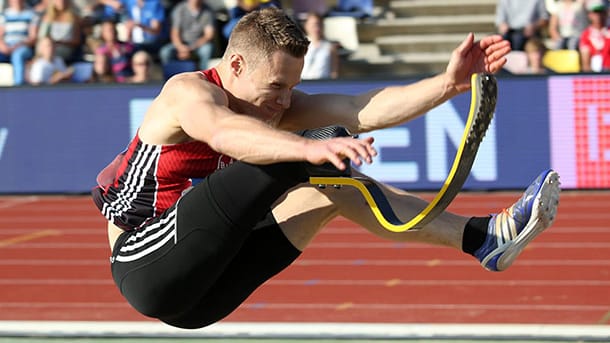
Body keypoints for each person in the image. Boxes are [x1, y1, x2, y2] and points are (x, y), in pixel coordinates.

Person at [92, 7, 560, 329]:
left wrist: (447, 84)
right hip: (145, 265)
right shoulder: (188, 92)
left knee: (328, 182)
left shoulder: (275, 108)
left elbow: (359, 107)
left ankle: (484, 238)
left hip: (206, 295)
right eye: (276, 85)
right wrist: (305, 149)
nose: (284, 99)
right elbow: (221, 134)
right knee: (306, 150)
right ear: (235, 64)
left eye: (292, 87)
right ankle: (309, 154)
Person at [159, 0, 215, 71]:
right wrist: (181, 47)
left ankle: (203, 74)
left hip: (198, 44)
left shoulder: (208, 11)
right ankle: (169, 74)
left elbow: (209, 35)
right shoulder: (180, 9)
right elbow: (175, 33)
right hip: (182, 43)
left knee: (207, 50)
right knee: (165, 52)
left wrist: (192, 47)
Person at [0, 0, 40, 85]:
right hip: (6, 46)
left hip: (24, 47)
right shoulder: (4, 15)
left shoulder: (32, 14)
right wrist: (3, 46)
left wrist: (18, 45)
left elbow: (33, 37)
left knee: (18, 55)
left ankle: (18, 86)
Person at [300, 12, 338, 80]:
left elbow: (334, 73)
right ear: (306, 26)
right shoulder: (300, 45)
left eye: (319, 25)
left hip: (323, 86)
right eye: (313, 25)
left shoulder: (330, 47)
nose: (316, 28)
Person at [579, 0, 610, 72]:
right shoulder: (586, 35)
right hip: (595, 77)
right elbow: (586, 65)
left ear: (605, 13)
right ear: (589, 15)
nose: (598, 15)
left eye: (601, 12)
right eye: (595, 12)